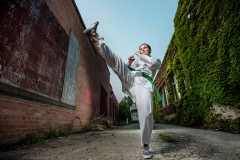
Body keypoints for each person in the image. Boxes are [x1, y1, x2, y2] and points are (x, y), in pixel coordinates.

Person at [83, 21, 161, 159]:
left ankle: (145, 146)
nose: (142, 49)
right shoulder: (137, 62)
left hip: (143, 87)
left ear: (149, 50)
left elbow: (154, 64)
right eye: (141, 48)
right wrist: (129, 63)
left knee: (147, 114)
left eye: (145, 48)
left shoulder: (155, 60)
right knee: (116, 61)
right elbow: (123, 69)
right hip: (131, 81)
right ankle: (94, 36)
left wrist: (140, 55)